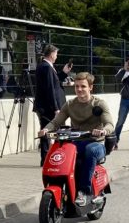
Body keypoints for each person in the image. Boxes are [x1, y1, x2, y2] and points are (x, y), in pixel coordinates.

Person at [38, 72, 114, 206]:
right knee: (60, 151)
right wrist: (45, 129)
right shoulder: (70, 104)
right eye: (77, 86)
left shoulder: (99, 104)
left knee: (90, 150)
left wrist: (102, 131)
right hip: (76, 143)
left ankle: (84, 191)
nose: (79, 89)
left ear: (91, 87)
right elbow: (56, 121)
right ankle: (61, 185)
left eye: (83, 86)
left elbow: (110, 124)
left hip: (96, 143)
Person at [33, 44, 72, 165]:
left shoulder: (47, 66)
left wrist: (64, 73)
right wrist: (56, 108)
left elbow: (54, 82)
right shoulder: (46, 67)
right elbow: (50, 89)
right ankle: (48, 158)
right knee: (48, 131)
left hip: (47, 106)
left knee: (48, 131)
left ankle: (49, 158)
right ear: (51, 54)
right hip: (48, 107)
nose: (57, 56)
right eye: (56, 54)